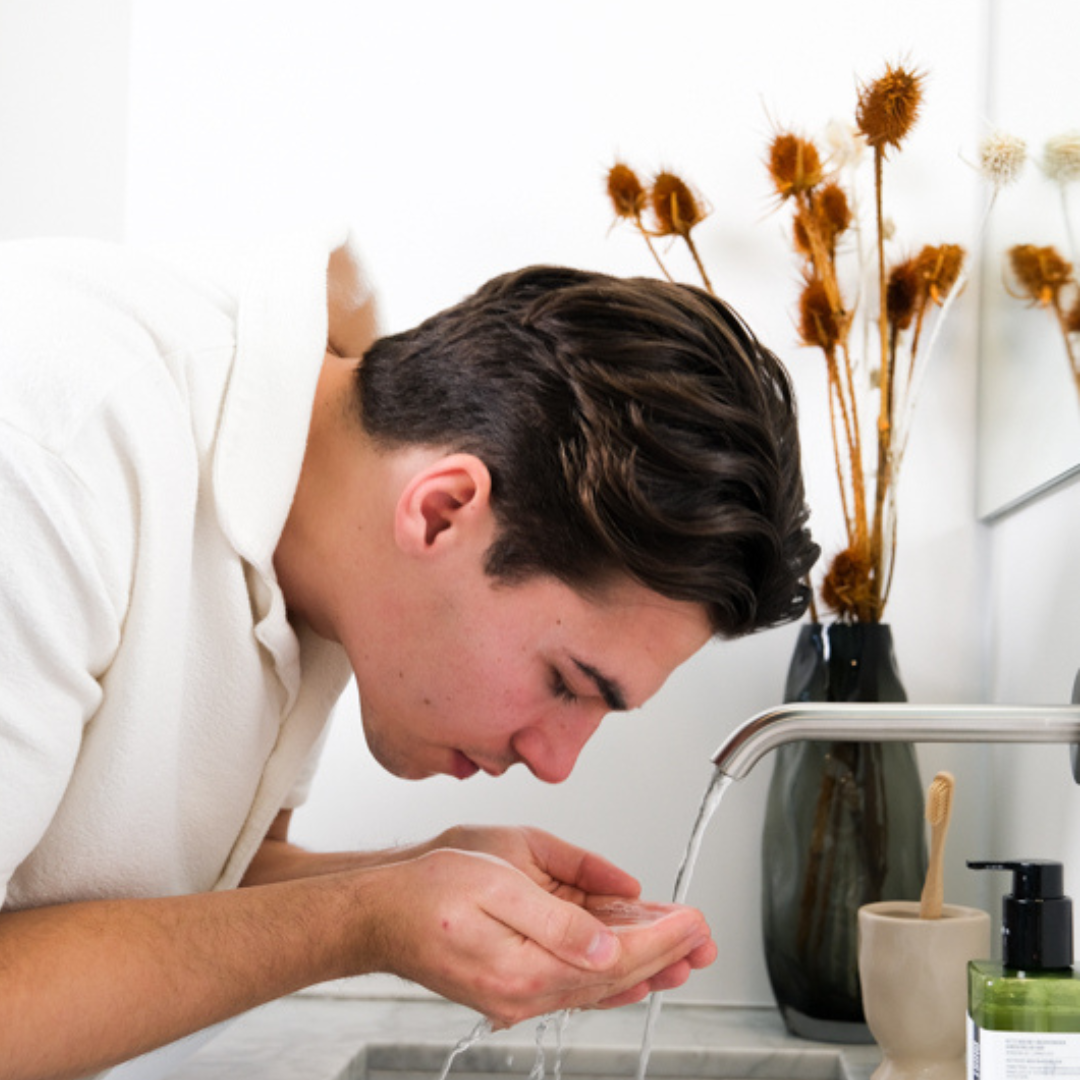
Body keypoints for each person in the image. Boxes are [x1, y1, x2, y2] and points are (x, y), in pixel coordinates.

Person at [0, 229, 818, 1080]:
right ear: (441, 513)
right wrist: (367, 919)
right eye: (566, 682)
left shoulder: (324, 548)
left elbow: (198, 889)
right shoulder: (48, 453)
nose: (556, 763)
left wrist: (422, 879)